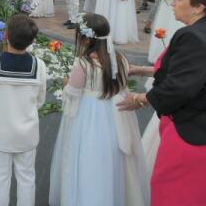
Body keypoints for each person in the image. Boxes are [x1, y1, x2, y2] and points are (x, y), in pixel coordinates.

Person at [118, 0, 206, 206]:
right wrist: (141, 70)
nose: (173, 2)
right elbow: (192, 73)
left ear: (199, 6)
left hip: (191, 131)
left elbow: (180, 86)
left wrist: (141, 98)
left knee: (171, 190)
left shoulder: (192, 35)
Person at [50, 12, 148, 206]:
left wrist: (66, 83)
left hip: (89, 116)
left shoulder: (83, 63)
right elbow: (120, 84)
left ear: (85, 39)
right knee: (114, 156)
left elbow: (72, 93)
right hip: (116, 112)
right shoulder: (119, 58)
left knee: (88, 158)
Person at [0, 14, 46, 206]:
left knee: (0, 178)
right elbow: (40, 101)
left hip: (0, 134)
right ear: (31, 40)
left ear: (5, 35)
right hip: (27, 135)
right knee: (26, 178)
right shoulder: (38, 66)